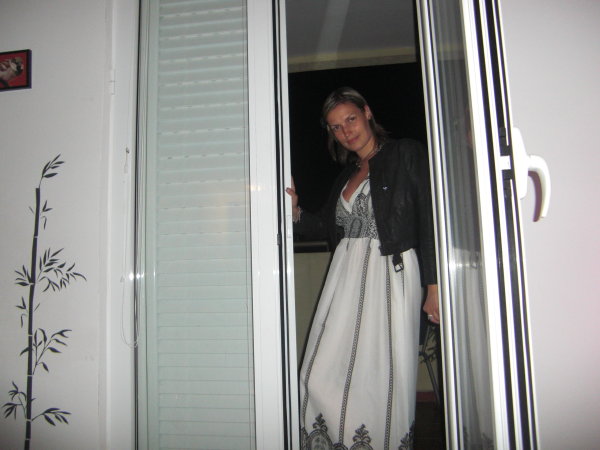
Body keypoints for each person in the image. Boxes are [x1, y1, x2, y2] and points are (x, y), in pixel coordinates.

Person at [287, 87, 439, 449]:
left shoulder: (404, 153)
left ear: (367, 112)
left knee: (379, 375)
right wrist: (295, 212)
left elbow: (430, 217)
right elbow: (327, 227)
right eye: (336, 127)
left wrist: (434, 287)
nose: (346, 131)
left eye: (351, 119)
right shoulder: (347, 175)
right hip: (344, 279)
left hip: (389, 272)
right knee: (317, 373)